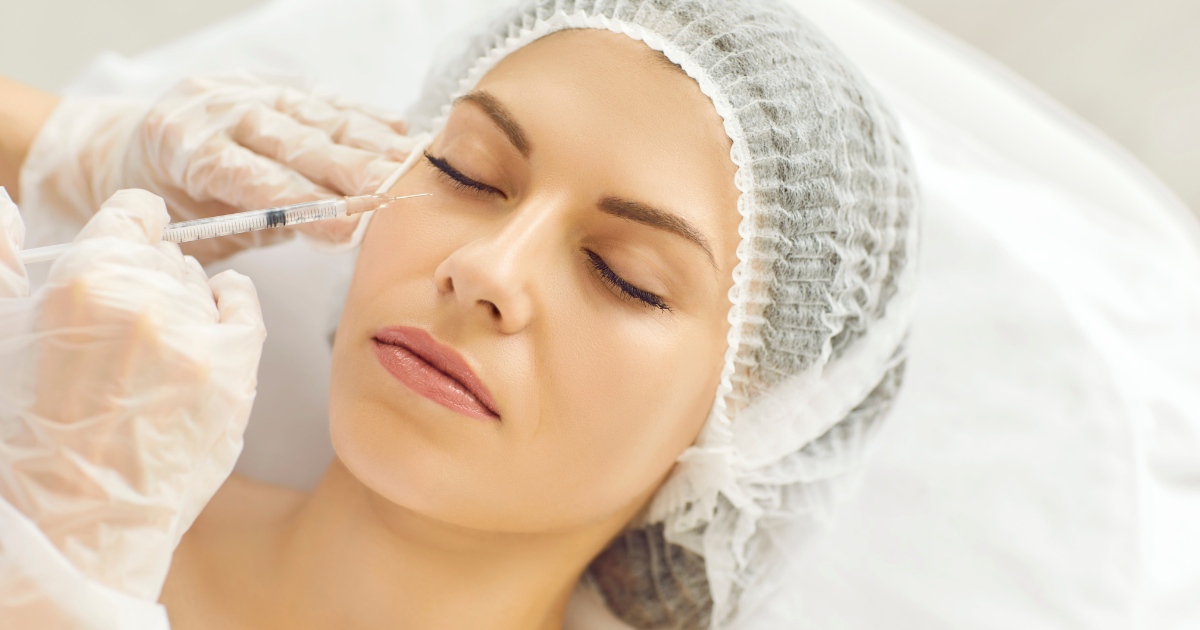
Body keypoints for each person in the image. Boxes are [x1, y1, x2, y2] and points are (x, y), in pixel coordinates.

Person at [0, 0, 919, 628]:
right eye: (466, 173)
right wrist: (70, 150)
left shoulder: (66, 518)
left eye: (625, 275)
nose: (485, 268)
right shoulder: (47, 464)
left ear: (750, 428)